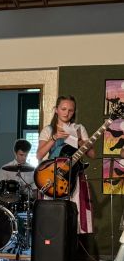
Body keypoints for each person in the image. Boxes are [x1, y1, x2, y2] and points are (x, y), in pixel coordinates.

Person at [37, 95, 95, 234]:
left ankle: (72, 242)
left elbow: (92, 154)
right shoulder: (48, 130)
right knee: (53, 214)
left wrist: (78, 139)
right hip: (54, 177)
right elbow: (39, 155)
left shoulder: (79, 128)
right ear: (56, 110)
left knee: (74, 214)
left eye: (70, 110)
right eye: (63, 109)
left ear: (74, 112)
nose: (66, 113)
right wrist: (54, 138)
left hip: (74, 176)